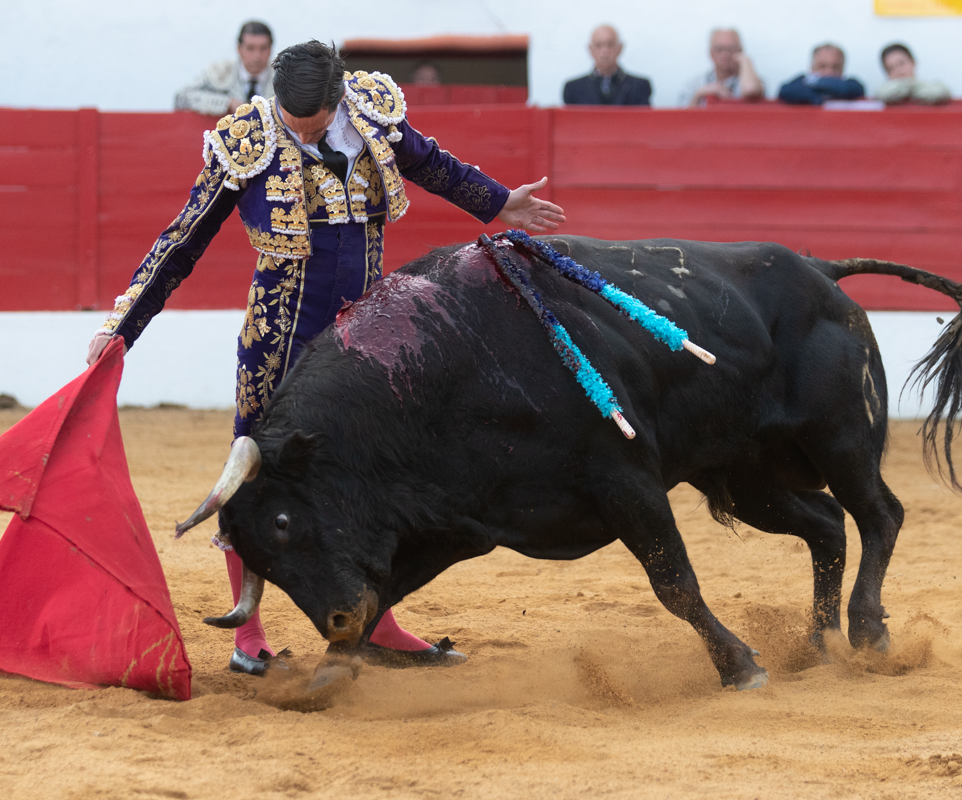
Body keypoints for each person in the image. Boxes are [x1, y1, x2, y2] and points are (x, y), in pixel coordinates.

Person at [87, 41, 565, 677]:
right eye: (291, 121)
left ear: (339, 98)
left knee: (372, 469)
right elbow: (182, 241)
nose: (301, 134)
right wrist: (124, 325)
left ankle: (379, 622)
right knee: (253, 470)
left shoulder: (369, 111)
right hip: (281, 333)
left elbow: (429, 162)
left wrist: (499, 202)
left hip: (363, 332)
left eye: (312, 124)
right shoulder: (248, 139)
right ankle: (248, 633)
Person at [175, 21, 275, 117]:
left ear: (270, 49)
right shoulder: (219, 72)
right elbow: (181, 98)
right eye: (250, 48)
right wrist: (226, 103)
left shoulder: (280, 76)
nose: (257, 56)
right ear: (239, 49)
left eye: (263, 48)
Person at [562, 25, 651, 106]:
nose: (605, 51)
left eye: (610, 44)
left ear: (620, 48)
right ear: (591, 50)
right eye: (598, 45)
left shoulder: (639, 86)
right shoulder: (574, 88)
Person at [678, 28, 764, 106]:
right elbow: (683, 116)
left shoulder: (752, 80)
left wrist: (746, 60)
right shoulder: (695, 84)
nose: (725, 54)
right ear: (711, 53)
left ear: (740, 51)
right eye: (719, 49)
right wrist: (700, 94)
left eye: (731, 48)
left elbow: (751, 89)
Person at [777, 43, 865, 105]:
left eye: (835, 67)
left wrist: (819, 84)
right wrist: (816, 96)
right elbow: (785, 91)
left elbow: (855, 89)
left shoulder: (851, 84)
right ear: (812, 67)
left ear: (842, 68)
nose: (829, 72)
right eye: (822, 66)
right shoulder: (801, 82)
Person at [875, 43, 950, 106]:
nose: (898, 71)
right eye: (891, 68)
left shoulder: (935, 88)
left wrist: (911, 87)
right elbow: (883, 94)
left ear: (913, 62)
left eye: (901, 64)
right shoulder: (882, 94)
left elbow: (938, 93)